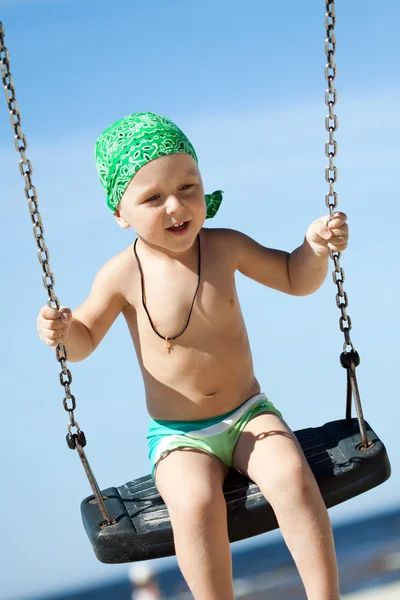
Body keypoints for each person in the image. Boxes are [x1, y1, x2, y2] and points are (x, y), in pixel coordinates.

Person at [37, 112, 348, 600]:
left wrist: (314, 249)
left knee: (289, 473)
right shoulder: (120, 275)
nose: (175, 205)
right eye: (153, 197)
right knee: (194, 503)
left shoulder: (225, 247)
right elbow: (83, 341)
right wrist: (61, 331)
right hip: (180, 437)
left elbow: (293, 278)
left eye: (187, 187)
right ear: (121, 213)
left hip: (249, 415)